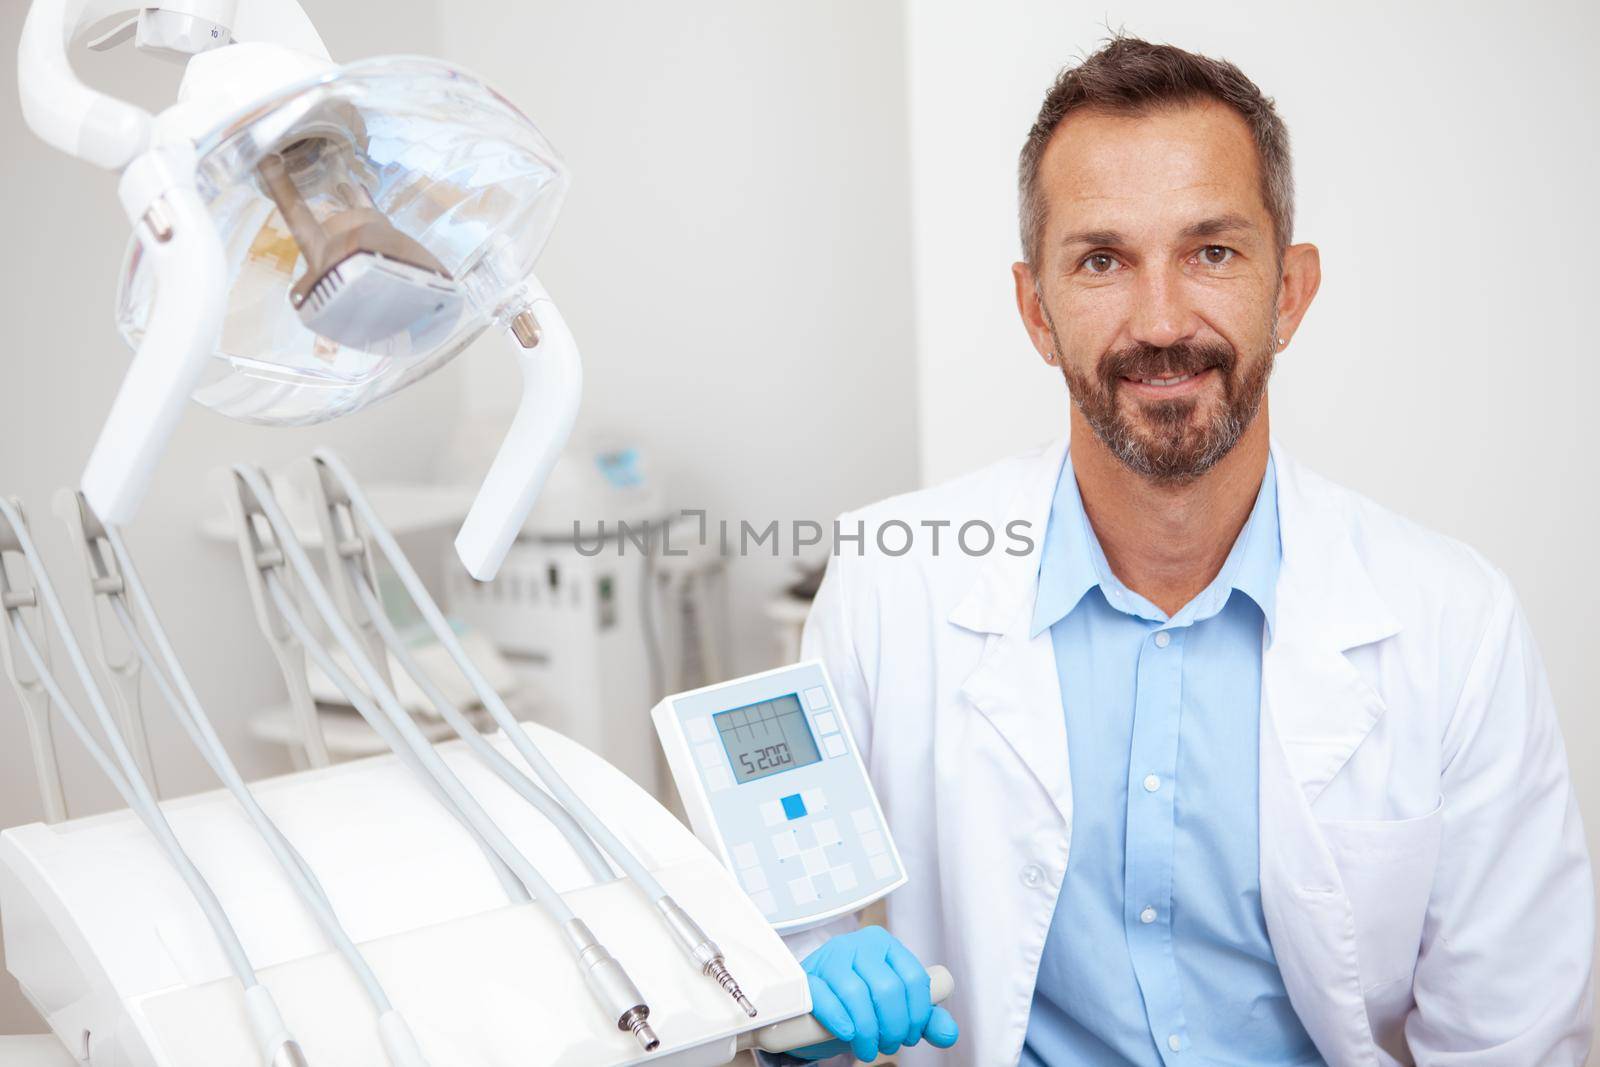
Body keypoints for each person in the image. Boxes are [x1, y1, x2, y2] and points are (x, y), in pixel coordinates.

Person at [782, 35, 1595, 1067]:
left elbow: (1510, 1037)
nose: (1161, 320)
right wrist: (793, 1007)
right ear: (1036, 309)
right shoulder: (886, 585)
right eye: (1101, 260)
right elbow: (786, 956)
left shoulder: (1454, 622)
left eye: (1211, 250)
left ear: (1288, 291)